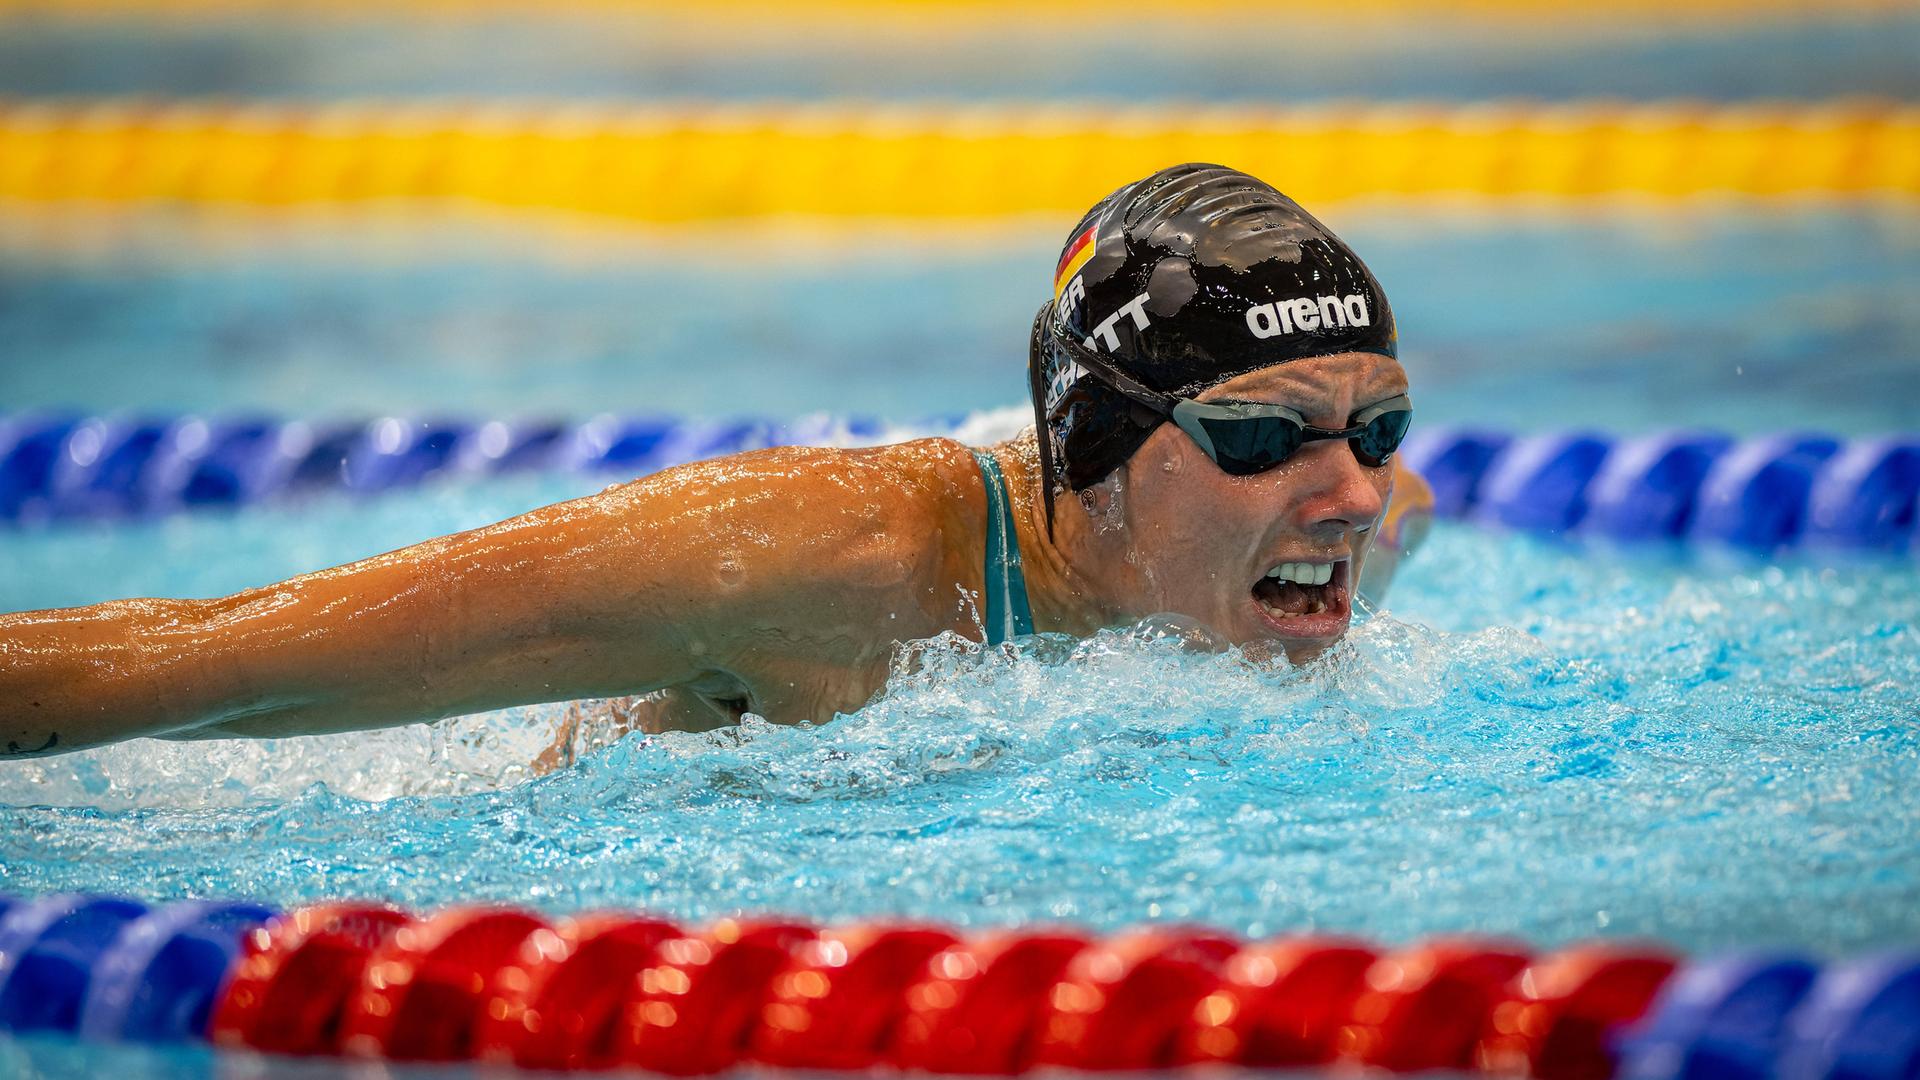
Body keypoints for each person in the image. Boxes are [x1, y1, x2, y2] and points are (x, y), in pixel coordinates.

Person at [0, 163, 1431, 759]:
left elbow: (1386, 507)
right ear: (1099, 450)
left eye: (1377, 429)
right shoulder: (816, 565)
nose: (1355, 497)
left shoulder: (1355, 528)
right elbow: (225, 654)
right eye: (1262, 437)